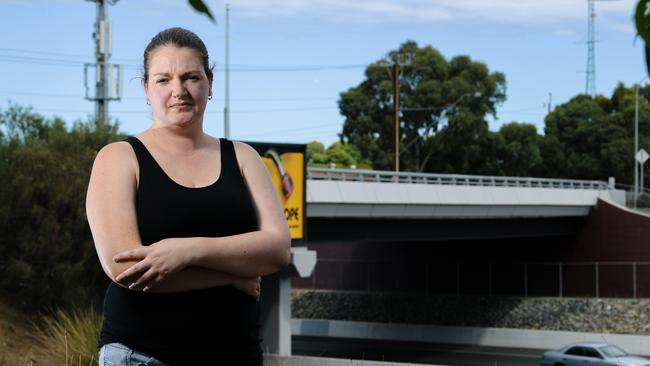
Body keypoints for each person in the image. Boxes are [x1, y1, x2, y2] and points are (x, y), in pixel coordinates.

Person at [86, 27, 291, 366]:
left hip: (237, 354)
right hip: (143, 355)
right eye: (163, 79)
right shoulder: (119, 158)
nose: (178, 91)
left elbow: (278, 248)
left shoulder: (243, 157)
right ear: (146, 89)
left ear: (209, 83)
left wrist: (188, 250)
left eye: (191, 76)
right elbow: (127, 268)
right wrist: (231, 276)